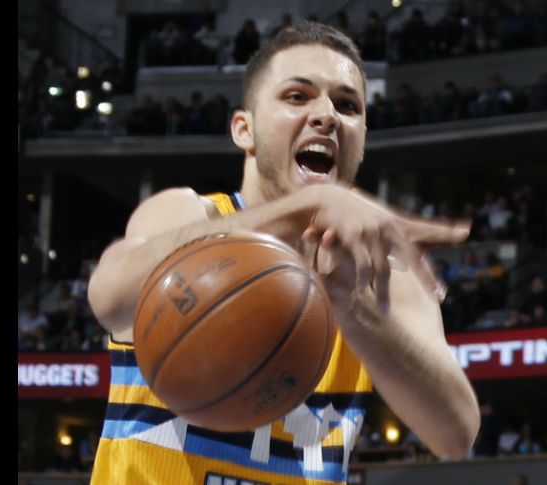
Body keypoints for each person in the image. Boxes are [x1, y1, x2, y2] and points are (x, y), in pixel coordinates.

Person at [88, 20, 480, 484]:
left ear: (362, 137)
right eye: (297, 96)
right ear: (244, 129)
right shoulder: (188, 214)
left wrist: (349, 302)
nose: (326, 115)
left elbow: (455, 434)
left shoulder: (385, 279)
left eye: (347, 105)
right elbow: (109, 298)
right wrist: (303, 209)